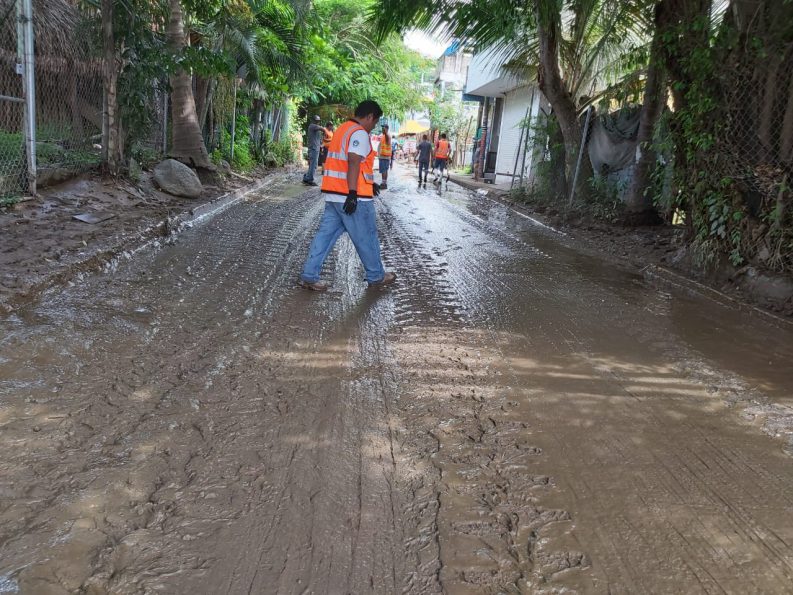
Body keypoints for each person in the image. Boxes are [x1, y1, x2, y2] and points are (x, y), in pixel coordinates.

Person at [299, 100, 397, 291]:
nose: (373, 127)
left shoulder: (343, 129)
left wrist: (370, 183)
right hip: (354, 198)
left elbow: (348, 163)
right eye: (374, 122)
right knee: (366, 237)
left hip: (334, 195)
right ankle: (376, 276)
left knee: (324, 237)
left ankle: (309, 276)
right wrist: (353, 193)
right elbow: (353, 161)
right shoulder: (359, 132)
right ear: (369, 116)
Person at [302, 115, 326, 186]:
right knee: (313, 165)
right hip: (313, 149)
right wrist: (325, 130)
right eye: (316, 120)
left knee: (313, 164)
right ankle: (310, 179)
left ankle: (307, 178)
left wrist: (321, 146)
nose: (317, 122)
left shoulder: (316, 129)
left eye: (318, 121)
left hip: (316, 148)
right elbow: (322, 128)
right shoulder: (312, 126)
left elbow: (319, 139)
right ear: (313, 120)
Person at [377, 124, 392, 189]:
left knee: (384, 170)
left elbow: (387, 138)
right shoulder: (383, 136)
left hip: (385, 156)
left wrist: (385, 133)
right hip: (383, 156)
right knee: (384, 170)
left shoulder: (387, 136)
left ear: (386, 129)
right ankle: (384, 183)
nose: (382, 129)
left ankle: (384, 184)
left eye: (383, 128)